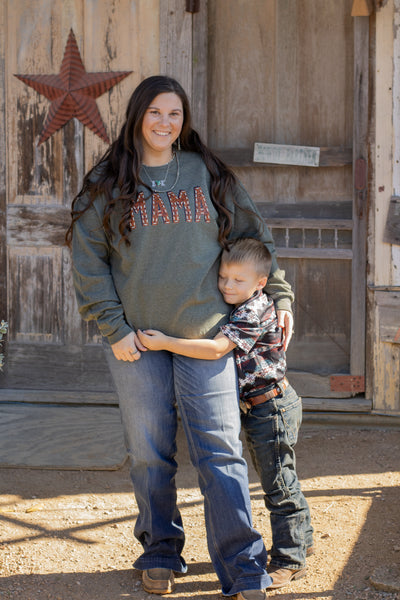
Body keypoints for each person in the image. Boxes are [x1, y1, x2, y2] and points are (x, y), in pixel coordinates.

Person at [67, 75, 295, 599]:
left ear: (183, 120)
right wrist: (114, 328)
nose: (165, 123)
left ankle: (242, 568)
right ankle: (161, 551)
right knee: (149, 454)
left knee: (220, 450)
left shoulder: (206, 172)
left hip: (205, 336)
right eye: (154, 113)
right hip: (137, 343)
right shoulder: (108, 181)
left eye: (174, 114)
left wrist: (278, 294)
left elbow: (253, 236)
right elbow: (88, 261)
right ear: (137, 117)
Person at [138, 237, 314, 590]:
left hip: (272, 408)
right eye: (223, 278)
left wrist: (166, 342)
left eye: (238, 281)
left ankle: (291, 558)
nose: (227, 286)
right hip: (258, 407)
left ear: (261, 283)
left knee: (278, 483)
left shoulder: (254, 310)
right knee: (278, 475)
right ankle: (303, 537)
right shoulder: (239, 302)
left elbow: (218, 348)